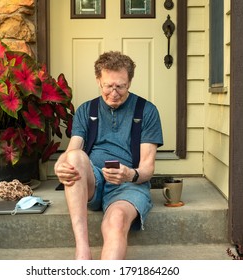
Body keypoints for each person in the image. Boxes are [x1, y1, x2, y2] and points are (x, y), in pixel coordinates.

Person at [54, 51, 163, 260]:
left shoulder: (147, 111)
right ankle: (82, 251)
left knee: (116, 220)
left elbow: (148, 168)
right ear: (98, 81)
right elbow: (71, 150)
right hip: (92, 180)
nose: (114, 93)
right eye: (108, 86)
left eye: (120, 86)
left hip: (128, 184)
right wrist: (60, 165)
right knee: (74, 157)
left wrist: (129, 174)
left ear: (129, 82)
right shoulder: (87, 110)